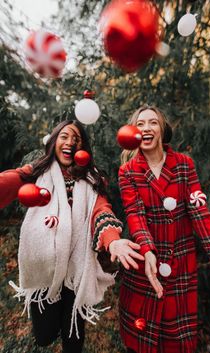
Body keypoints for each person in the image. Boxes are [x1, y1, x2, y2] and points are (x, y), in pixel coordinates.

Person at [0, 119, 144, 353]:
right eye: (65, 136)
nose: (70, 142)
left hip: (78, 269)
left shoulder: (91, 179)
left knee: (73, 339)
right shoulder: (37, 172)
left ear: (82, 148)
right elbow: (11, 180)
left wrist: (113, 240)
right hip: (45, 268)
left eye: (76, 139)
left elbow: (101, 211)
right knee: (45, 336)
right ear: (54, 141)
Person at [118, 105, 210, 353]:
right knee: (142, 341)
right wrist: (148, 250)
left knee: (177, 342)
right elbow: (135, 215)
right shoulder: (127, 171)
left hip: (180, 266)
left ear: (162, 129)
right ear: (133, 132)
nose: (146, 128)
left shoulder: (184, 165)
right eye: (140, 124)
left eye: (152, 122)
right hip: (144, 265)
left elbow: (199, 212)